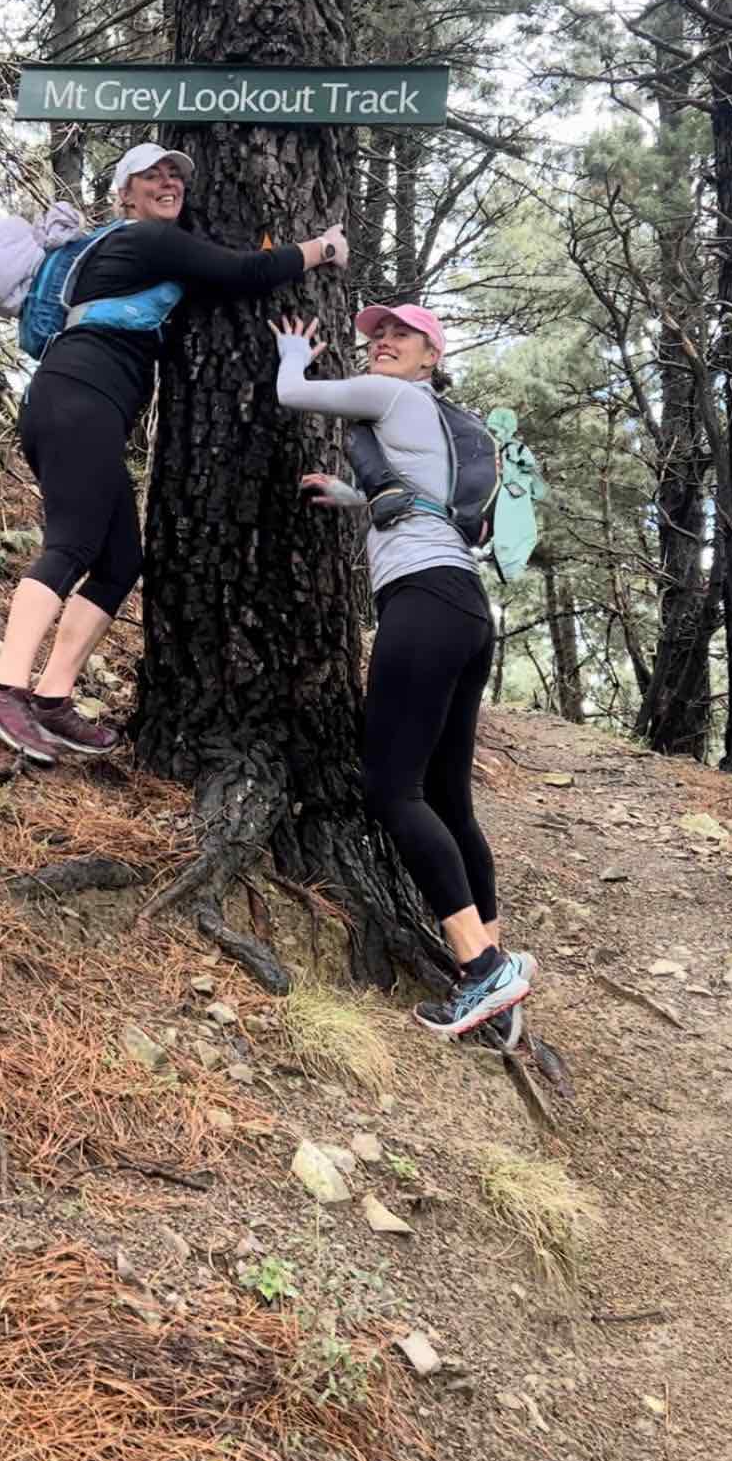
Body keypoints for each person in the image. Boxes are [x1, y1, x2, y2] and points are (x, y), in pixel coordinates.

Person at [0, 142, 348, 761]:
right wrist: (324, 248)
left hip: (81, 411)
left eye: (175, 174)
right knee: (71, 546)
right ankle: (5, 685)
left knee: (119, 562)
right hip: (76, 403)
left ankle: (52, 699)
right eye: (152, 175)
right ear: (125, 191)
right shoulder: (144, 240)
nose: (167, 182)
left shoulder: (139, 257)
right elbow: (246, 272)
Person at [272, 302, 534, 1043]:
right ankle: (496, 978)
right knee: (448, 795)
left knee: (393, 790)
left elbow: (292, 392)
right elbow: (430, 502)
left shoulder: (391, 395)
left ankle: (481, 969)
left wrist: (294, 351)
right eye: (375, 334)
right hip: (464, 609)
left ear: (429, 356)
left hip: (421, 603)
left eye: (400, 335)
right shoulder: (450, 423)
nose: (381, 342)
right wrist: (351, 493)